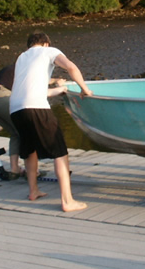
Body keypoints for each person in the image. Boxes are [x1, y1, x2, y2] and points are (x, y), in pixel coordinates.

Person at [9, 32, 93, 212]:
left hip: (15, 109)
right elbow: (71, 67)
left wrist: (60, 89)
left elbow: (38, 90)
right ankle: (67, 200)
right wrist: (85, 89)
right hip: (36, 107)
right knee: (60, 151)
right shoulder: (49, 51)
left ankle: (33, 191)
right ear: (46, 43)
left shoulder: (22, 58)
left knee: (29, 150)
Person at [0, 63, 66, 180]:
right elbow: (36, 84)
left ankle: (14, 169)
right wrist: (57, 81)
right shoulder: (24, 68)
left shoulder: (9, 70)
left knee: (16, 133)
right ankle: (33, 172)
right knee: (29, 130)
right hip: (3, 96)